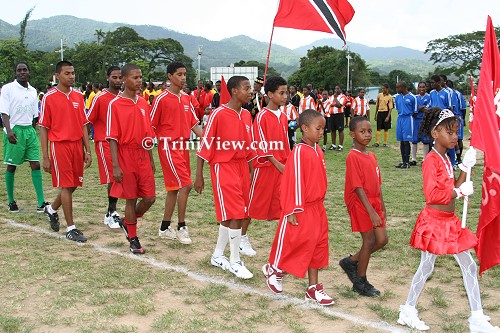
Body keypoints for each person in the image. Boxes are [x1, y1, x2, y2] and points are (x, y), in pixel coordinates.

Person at [397, 107, 500, 333]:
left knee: (467, 266)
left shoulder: (445, 158)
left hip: (449, 220)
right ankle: (408, 309)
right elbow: (432, 195)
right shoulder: (431, 160)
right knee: (426, 267)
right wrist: (459, 193)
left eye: (456, 133)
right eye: (450, 132)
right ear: (435, 133)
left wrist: (465, 168)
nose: (455, 137)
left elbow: (453, 187)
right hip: (434, 222)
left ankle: (477, 317)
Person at [262, 109, 334, 306]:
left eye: (323, 129)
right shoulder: (299, 152)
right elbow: (291, 181)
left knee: (317, 246)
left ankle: (313, 288)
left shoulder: (317, 150)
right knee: (295, 241)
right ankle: (275, 269)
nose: (321, 132)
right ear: (304, 128)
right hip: (301, 207)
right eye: (318, 128)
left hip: (318, 207)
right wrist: (292, 208)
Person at [195, 75, 257, 279]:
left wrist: (250, 169)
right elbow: (205, 145)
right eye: (247, 88)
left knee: (231, 215)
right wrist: (199, 175)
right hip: (223, 167)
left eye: (251, 88)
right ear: (234, 91)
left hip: (241, 168)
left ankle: (217, 255)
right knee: (237, 213)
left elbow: (248, 147)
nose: (251, 91)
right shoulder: (218, 114)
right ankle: (235, 261)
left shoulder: (247, 115)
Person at [39, 60, 92, 242]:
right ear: (57, 76)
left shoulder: (78, 96)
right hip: (59, 145)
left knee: (74, 184)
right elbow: (44, 128)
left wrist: (88, 150)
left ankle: (52, 209)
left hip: (77, 145)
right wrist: (45, 156)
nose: (71, 76)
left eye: (73, 73)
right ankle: (71, 228)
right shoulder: (49, 97)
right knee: (66, 185)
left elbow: (84, 125)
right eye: (67, 73)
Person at [106, 63, 156, 254]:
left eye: (140, 77)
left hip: (143, 154)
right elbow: (112, 137)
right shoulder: (115, 104)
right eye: (135, 77)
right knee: (130, 198)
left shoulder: (143, 102)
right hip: (125, 155)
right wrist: (116, 166)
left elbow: (148, 133)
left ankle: (128, 222)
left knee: (150, 197)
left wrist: (150, 158)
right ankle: (133, 239)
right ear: (125, 79)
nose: (139, 81)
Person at [150, 62, 202, 245]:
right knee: (186, 185)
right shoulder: (161, 99)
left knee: (173, 189)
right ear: (170, 76)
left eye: (184, 74)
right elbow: (151, 125)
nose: (183, 78)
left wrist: (206, 138)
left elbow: (193, 124)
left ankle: (164, 228)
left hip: (184, 147)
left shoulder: (187, 98)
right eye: (179, 74)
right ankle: (181, 227)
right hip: (168, 148)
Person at [339, 116, 388, 297]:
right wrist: (371, 211)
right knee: (368, 241)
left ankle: (351, 261)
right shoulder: (353, 156)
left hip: (374, 203)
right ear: (352, 134)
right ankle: (360, 281)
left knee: (382, 240)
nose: (367, 135)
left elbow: (377, 182)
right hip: (361, 204)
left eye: (369, 131)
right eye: (362, 131)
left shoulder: (372, 155)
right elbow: (357, 187)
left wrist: (382, 206)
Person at [246, 76, 290, 256]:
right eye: (281, 93)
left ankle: (286, 240)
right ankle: (242, 237)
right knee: (252, 204)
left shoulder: (284, 116)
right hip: (265, 167)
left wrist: (288, 162)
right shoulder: (262, 116)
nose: (285, 96)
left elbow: (286, 142)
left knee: (285, 204)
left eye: (286, 92)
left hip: (283, 167)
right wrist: (276, 163)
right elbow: (261, 144)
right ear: (270, 94)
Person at [1, 62, 49, 213]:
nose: (22, 72)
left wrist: (33, 128)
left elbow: (35, 114)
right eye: (19, 70)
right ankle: (11, 201)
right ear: (15, 73)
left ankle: (41, 202)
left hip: (29, 130)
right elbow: (4, 112)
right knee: (12, 166)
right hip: (14, 129)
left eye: (25, 70)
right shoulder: (8, 89)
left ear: (29, 72)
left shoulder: (33, 91)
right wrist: (9, 131)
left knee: (35, 164)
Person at [87, 65, 123, 229]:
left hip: (121, 144)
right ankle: (111, 213)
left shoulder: (124, 97)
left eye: (120, 77)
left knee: (120, 177)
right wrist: (85, 146)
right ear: (108, 78)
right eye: (114, 77)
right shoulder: (100, 98)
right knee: (114, 177)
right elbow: (88, 122)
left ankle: (111, 212)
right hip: (104, 142)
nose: (117, 80)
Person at [394, 81, 417, 169]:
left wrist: (409, 116)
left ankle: (407, 162)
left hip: (408, 119)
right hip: (400, 118)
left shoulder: (412, 97)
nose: (397, 89)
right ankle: (403, 161)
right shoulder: (397, 97)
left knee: (406, 141)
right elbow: (398, 109)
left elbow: (415, 112)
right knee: (401, 140)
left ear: (403, 87)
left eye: (398, 87)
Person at [411, 82, 431, 164]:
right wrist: (420, 108)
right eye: (420, 87)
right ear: (418, 88)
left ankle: (425, 159)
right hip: (416, 121)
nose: (422, 89)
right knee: (414, 140)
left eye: (423, 87)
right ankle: (413, 159)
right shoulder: (415, 98)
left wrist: (422, 108)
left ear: (426, 88)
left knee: (425, 140)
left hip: (425, 121)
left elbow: (429, 109)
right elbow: (413, 109)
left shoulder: (429, 97)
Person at [329, 85, 346, 151]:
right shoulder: (331, 97)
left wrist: (335, 99)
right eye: (335, 88)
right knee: (332, 130)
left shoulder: (343, 97)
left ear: (340, 89)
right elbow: (330, 104)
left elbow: (339, 105)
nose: (336, 90)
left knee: (340, 130)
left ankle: (340, 145)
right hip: (332, 114)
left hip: (339, 114)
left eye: (338, 89)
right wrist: (334, 104)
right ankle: (333, 145)